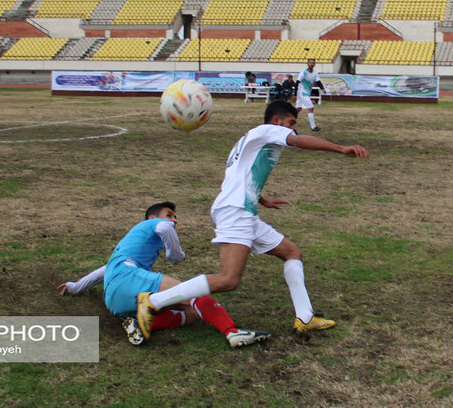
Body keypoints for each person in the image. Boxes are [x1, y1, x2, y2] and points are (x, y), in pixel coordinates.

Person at [136, 102, 370, 340]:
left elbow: (241, 175)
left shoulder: (253, 139)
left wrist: (262, 199)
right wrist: (341, 148)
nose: (293, 130)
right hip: (236, 210)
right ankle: (153, 301)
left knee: (292, 252)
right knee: (228, 279)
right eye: (291, 123)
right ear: (277, 121)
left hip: (240, 208)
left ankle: (305, 318)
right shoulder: (268, 130)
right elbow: (299, 142)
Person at [58, 202, 270, 348]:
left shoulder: (130, 245)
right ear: (152, 217)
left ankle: (142, 323)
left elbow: (105, 270)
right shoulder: (151, 224)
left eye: (175, 217)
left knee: (196, 312)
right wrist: (175, 254)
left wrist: (76, 287)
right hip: (128, 279)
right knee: (195, 294)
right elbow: (165, 228)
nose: (174, 221)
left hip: (114, 299)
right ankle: (233, 332)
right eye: (170, 215)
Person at [293, 58, 327, 132]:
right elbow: (297, 82)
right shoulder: (304, 72)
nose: (311, 64)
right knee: (311, 107)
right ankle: (313, 127)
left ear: (314, 64)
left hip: (306, 92)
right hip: (302, 92)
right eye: (310, 63)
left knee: (298, 109)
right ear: (307, 64)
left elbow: (318, 81)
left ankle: (287, 118)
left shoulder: (315, 73)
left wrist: (322, 89)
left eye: (313, 63)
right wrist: (295, 94)